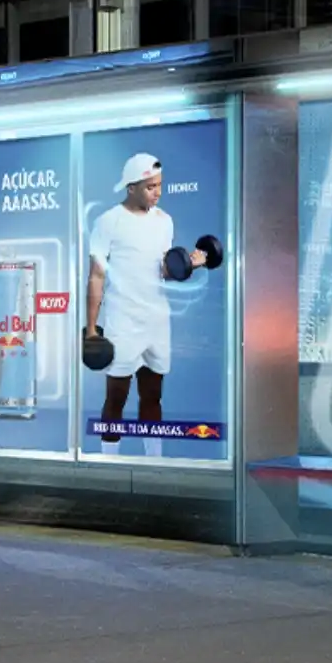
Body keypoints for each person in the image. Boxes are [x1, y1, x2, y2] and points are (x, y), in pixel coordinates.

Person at [85, 153, 207, 456]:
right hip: (122, 322)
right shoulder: (108, 222)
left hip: (157, 320)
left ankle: (155, 460)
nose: (158, 192)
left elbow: (164, 270)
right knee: (116, 398)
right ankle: (108, 464)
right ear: (131, 187)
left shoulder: (165, 221)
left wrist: (193, 264)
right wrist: (91, 329)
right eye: (150, 187)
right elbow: (97, 276)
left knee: (153, 395)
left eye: (160, 185)